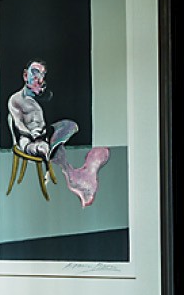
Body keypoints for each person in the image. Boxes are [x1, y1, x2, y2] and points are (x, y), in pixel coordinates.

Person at [7, 59, 110, 208]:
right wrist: (33, 136)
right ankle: (71, 176)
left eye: (42, 75)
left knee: (70, 126)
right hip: (28, 140)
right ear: (25, 75)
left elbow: (44, 119)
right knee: (43, 148)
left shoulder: (39, 96)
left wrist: (41, 96)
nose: (38, 78)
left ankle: (77, 170)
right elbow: (18, 124)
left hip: (45, 134)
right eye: (34, 73)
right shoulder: (15, 100)